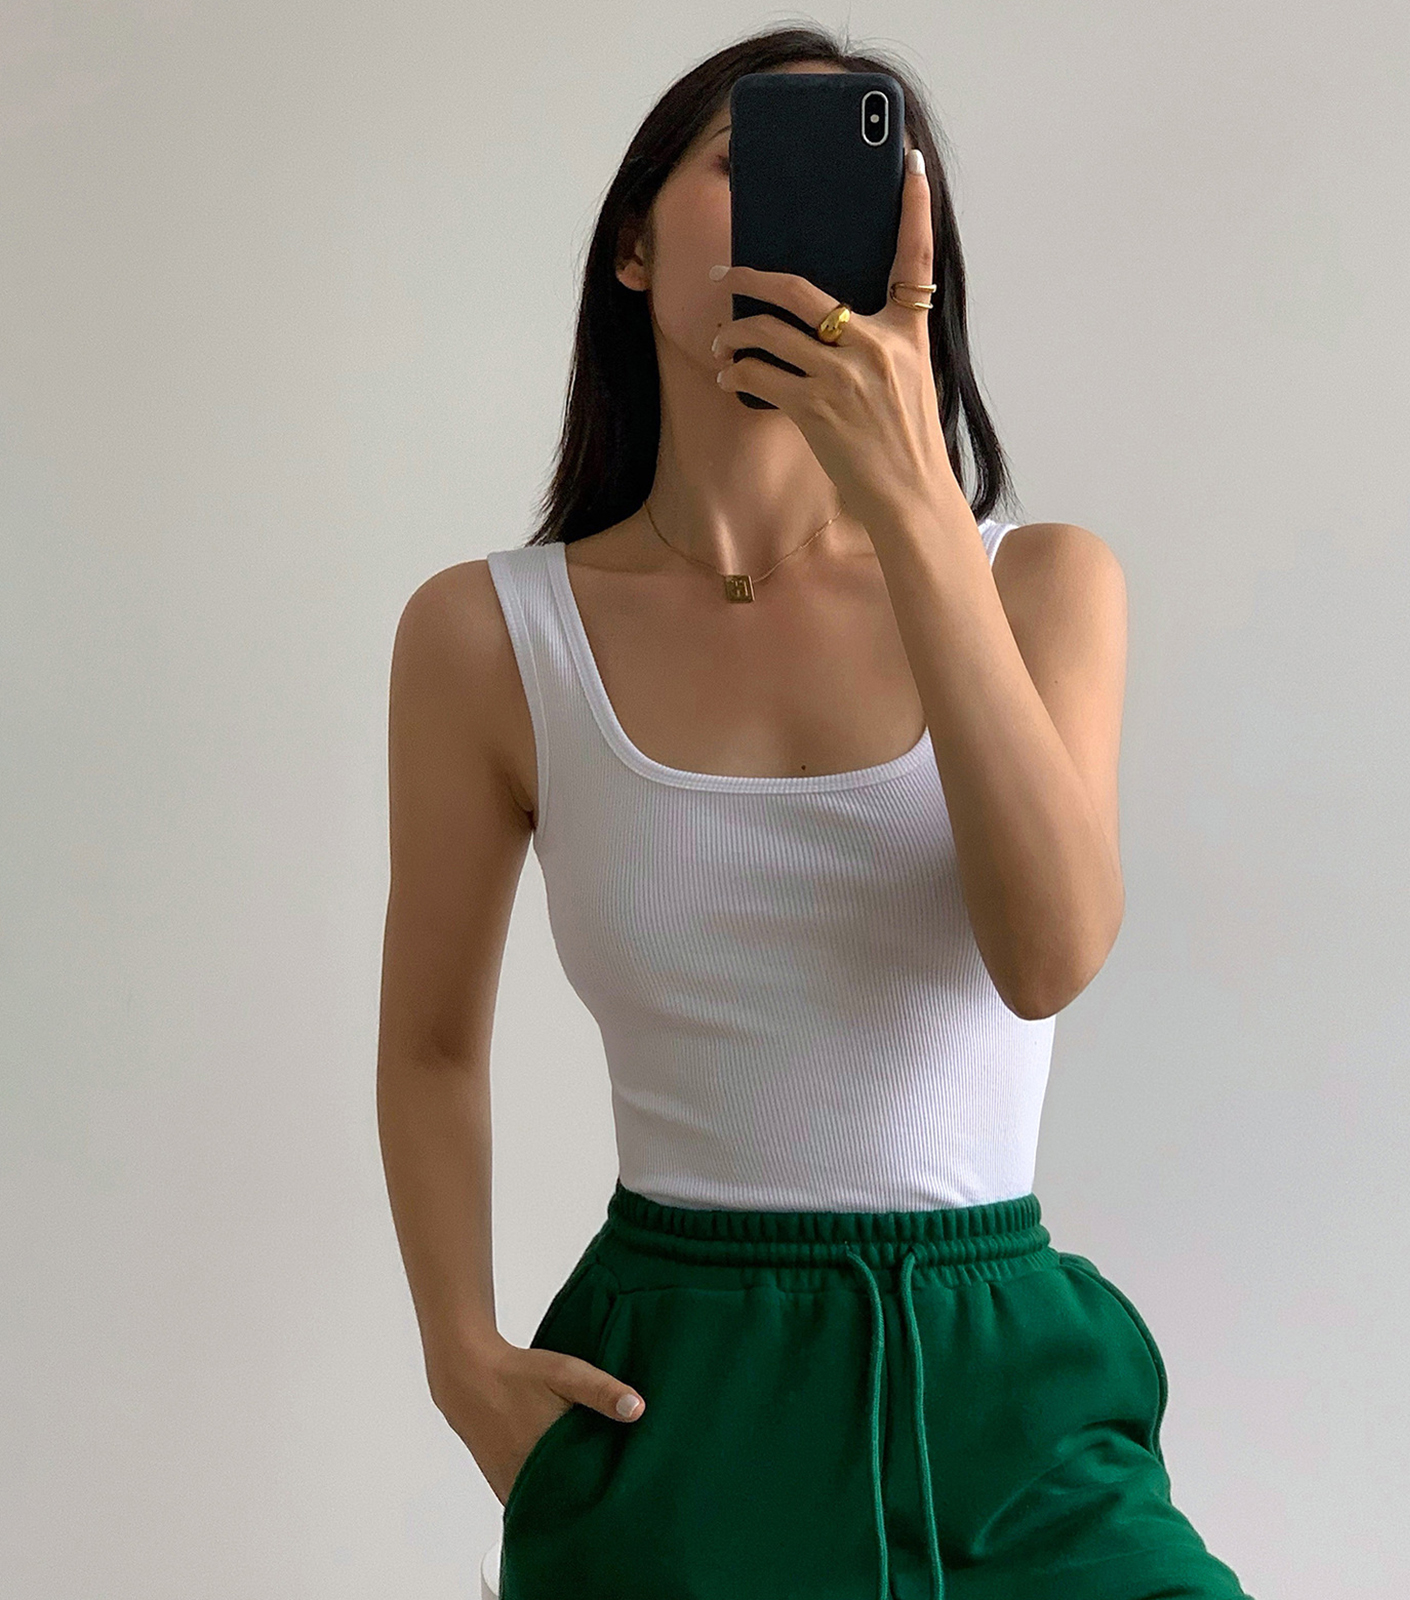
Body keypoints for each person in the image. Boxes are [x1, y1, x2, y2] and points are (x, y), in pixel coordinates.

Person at [377, 25, 1255, 1600]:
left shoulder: (1043, 585)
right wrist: (462, 1358)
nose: (806, 220)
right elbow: (433, 1041)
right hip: (680, 1392)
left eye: (869, 185)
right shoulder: (490, 638)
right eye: (744, 166)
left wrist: (911, 500)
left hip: (1005, 1394)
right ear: (633, 245)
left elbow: (1048, 956)